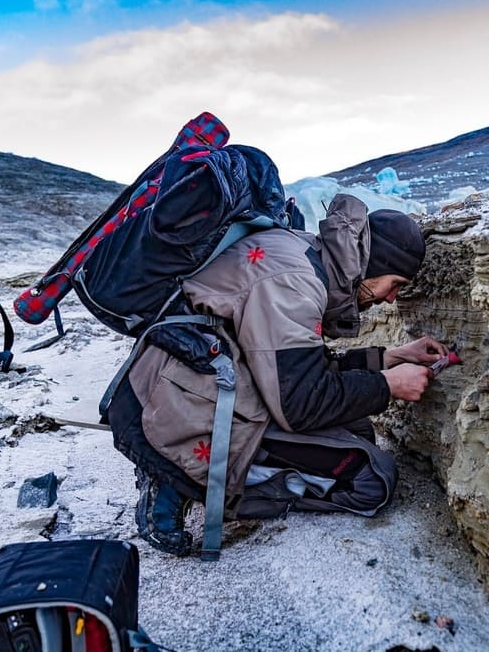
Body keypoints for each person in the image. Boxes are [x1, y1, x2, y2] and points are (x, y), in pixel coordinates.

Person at [108, 193, 447, 556]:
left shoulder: (304, 256)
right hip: (181, 408)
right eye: (394, 283)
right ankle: (184, 478)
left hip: (184, 390)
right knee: (372, 477)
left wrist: (389, 358)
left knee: (358, 430)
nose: (392, 299)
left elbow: (296, 368)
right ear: (374, 263)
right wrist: (388, 384)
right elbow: (299, 403)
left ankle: (190, 469)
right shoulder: (294, 283)